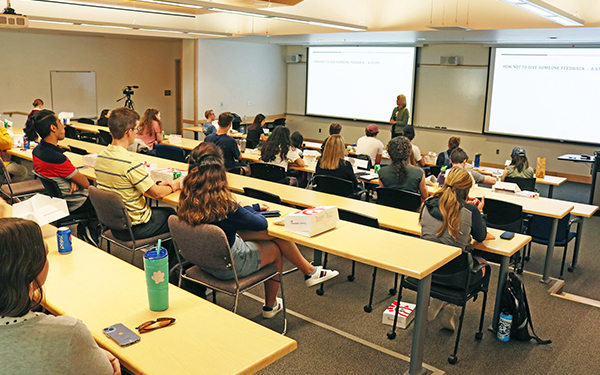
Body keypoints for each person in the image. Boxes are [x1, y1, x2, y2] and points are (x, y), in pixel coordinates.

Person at [178, 143, 339, 318]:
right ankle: (272, 304)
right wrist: (245, 209)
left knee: (274, 236)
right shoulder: (226, 207)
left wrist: (249, 207)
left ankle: (310, 272)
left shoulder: (187, 199)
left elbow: (237, 219)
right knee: (276, 245)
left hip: (202, 258)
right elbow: (261, 223)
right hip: (227, 266)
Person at [0, 215, 119, 375]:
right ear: (32, 268)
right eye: (45, 254)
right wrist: (82, 351)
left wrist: (85, 354)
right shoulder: (67, 333)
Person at [95, 107, 180, 244]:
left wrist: (156, 185)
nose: (137, 133)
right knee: (171, 215)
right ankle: (171, 260)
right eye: (136, 129)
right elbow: (157, 194)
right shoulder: (129, 162)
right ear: (128, 132)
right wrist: (175, 185)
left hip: (113, 222)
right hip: (135, 227)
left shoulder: (101, 157)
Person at [419, 167, 488, 330]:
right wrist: (479, 212)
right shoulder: (470, 211)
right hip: (457, 278)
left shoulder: (427, 204)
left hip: (426, 269)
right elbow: (481, 236)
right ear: (466, 190)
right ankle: (451, 307)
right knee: (483, 264)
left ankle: (436, 302)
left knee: (443, 255)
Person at [27, 109, 97, 244]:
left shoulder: (37, 151)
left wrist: (73, 178)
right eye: (60, 122)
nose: (64, 126)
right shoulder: (57, 158)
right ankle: (91, 231)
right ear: (53, 128)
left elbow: (67, 175)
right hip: (75, 201)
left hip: (57, 198)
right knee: (102, 197)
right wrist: (75, 178)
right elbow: (86, 184)